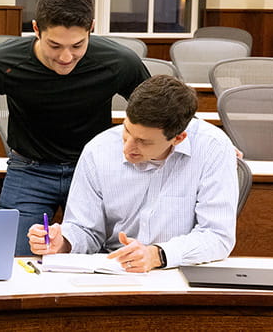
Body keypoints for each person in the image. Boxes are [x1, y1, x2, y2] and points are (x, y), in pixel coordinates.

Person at [0, 0, 151, 255]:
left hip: (92, 171)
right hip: (29, 170)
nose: (66, 57)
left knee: (106, 257)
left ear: (91, 28)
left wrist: (212, 142)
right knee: (10, 257)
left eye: (77, 45)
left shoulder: (119, 62)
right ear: (36, 29)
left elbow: (160, 110)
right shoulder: (1, 61)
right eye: (55, 45)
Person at [28, 75, 238, 272]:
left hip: (178, 269)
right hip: (113, 268)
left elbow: (217, 236)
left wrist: (156, 255)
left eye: (144, 142)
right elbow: (86, 229)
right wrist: (63, 242)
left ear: (178, 138)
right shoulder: (98, 149)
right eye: (127, 131)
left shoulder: (213, 148)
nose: (128, 148)